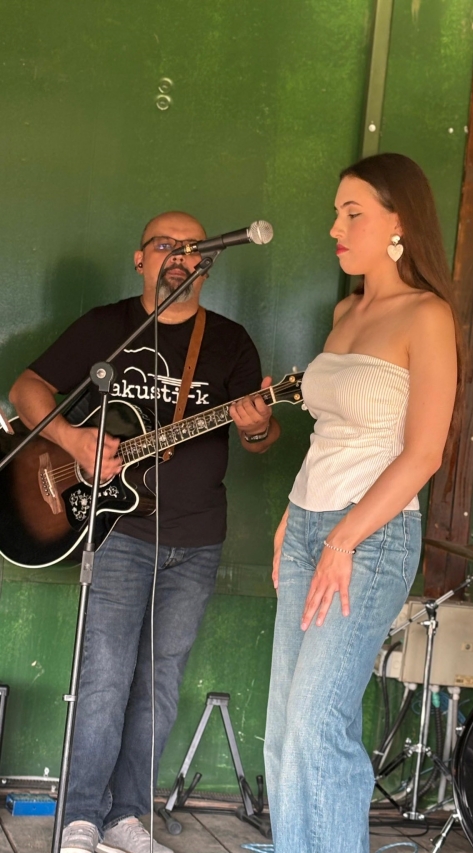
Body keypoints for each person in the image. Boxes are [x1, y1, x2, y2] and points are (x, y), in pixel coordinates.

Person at [9, 210, 280, 853]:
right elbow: (26, 388)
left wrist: (257, 426)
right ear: (141, 260)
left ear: (205, 265)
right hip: (119, 534)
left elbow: (262, 439)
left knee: (159, 684)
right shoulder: (107, 327)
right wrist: (72, 438)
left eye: (192, 248)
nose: (179, 256)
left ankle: (127, 817)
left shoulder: (231, 343)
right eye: (165, 245)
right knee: (104, 678)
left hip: (198, 538)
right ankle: (80, 818)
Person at [264, 153, 459, 853]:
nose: (335, 229)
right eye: (336, 214)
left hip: (369, 537)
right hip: (309, 524)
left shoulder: (427, 315)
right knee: (284, 727)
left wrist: (344, 537)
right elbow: (330, 432)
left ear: (399, 222)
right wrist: (291, 517)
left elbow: (424, 453)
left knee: (317, 724)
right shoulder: (346, 312)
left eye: (353, 214)